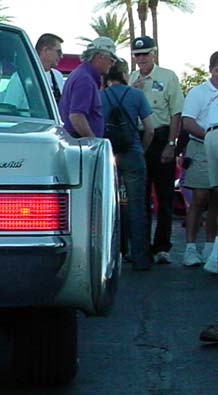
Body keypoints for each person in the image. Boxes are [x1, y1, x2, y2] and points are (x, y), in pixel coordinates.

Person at [129, 36, 185, 265]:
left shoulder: (167, 77)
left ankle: (162, 246)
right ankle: (141, 248)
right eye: (137, 55)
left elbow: (176, 113)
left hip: (161, 138)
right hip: (138, 138)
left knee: (164, 196)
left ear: (154, 53)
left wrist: (171, 144)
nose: (141, 59)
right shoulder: (132, 78)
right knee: (139, 197)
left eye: (145, 54)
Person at [102, 60, 155, 271]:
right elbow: (150, 129)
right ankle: (140, 257)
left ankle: (113, 256)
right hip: (132, 153)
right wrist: (141, 149)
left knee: (109, 206)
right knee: (137, 206)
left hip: (109, 154)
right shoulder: (137, 95)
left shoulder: (100, 96)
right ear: (124, 73)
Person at [181, 50, 218, 274]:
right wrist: (210, 136)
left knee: (216, 198)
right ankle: (190, 247)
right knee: (200, 197)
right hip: (200, 145)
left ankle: (211, 246)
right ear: (212, 69)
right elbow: (187, 122)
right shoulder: (199, 92)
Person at [58, 37, 120, 139]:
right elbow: (76, 116)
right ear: (100, 56)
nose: (112, 64)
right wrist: (94, 142)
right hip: (81, 145)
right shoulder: (85, 80)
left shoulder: (81, 74)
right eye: (112, 60)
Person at [4, 33, 66, 109]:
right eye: (58, 51)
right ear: (46, 50)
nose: (61, 56)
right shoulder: (20, 78)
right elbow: (10, 108)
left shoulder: (58, 76)